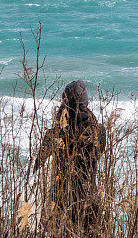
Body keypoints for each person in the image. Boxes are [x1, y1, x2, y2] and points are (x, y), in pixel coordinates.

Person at [34, 80, 106, 229]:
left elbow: (37, 169)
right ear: (86, 104)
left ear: (63, 104)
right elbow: (98, 153)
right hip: (89, 201)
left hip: (60, 204)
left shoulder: (53, 134)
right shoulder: (98, 132)